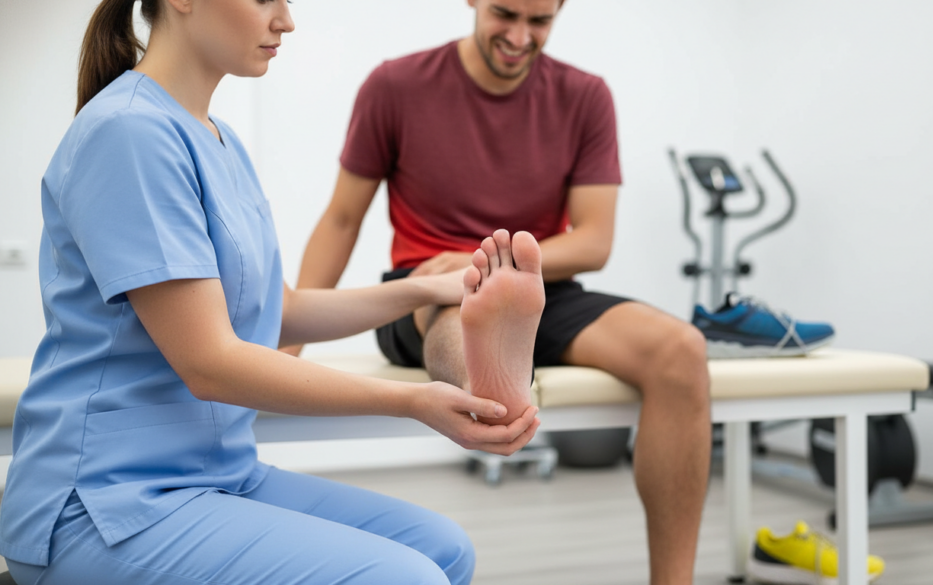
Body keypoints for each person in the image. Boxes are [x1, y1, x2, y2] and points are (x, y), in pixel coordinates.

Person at [0, 1, 543, 584]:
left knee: (445, 550)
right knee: (408, 578)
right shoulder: (129, 132)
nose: (286, 20)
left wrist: (428, 289)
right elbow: (211, 363)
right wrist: (414, 401)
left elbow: (283, 310)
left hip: (218, 474)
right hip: (104, 501)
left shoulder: (220, 140)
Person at [293, 0, 712, 583]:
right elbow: (342, 219)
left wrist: (499, 261)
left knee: (682, 350)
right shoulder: (394, 86)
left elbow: (593, 240)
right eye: (504, 13)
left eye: (539, 22)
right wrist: (291, 334)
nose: (518, 36)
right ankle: (488, 379)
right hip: (427, 284)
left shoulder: (585, 96)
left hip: (538, 285)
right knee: (457, 308)